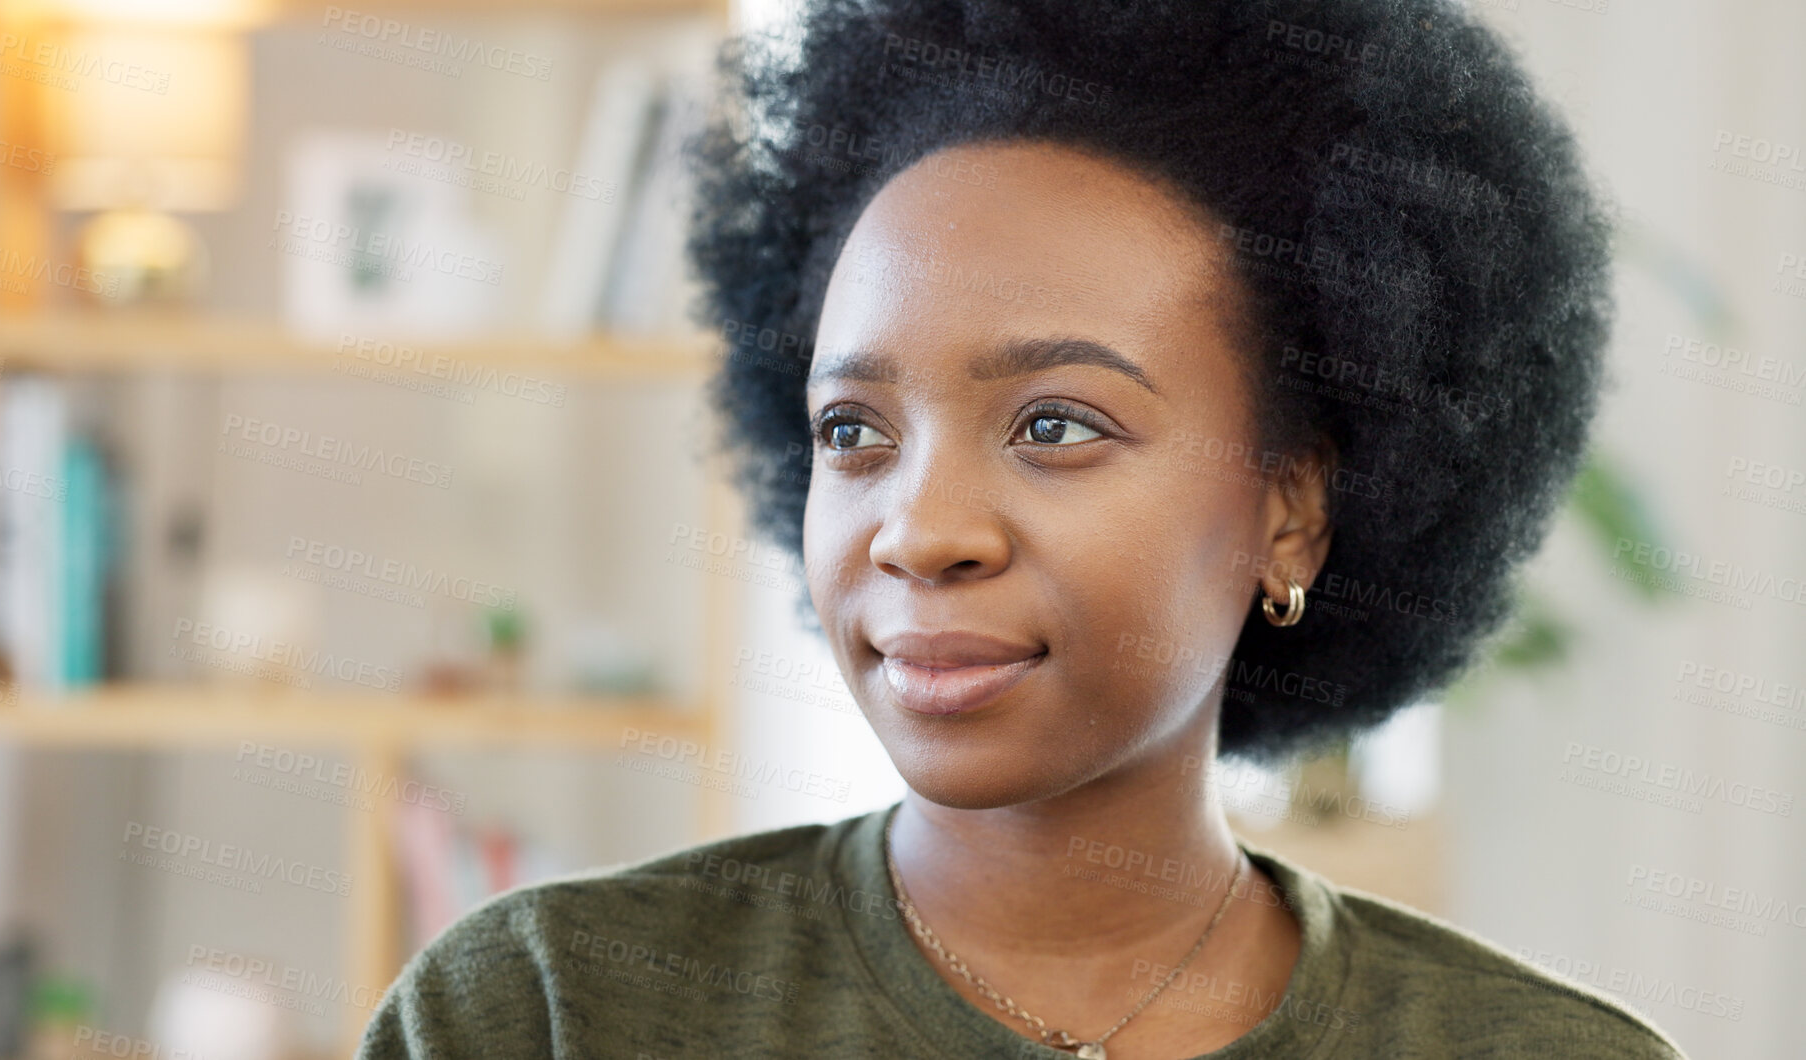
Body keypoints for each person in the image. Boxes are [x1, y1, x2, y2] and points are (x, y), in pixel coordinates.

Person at [357, 0, 1691, 1056]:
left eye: (1055, 425)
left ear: (1290, 509)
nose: (918, 530)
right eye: (853, 432)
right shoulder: (547, 1017)